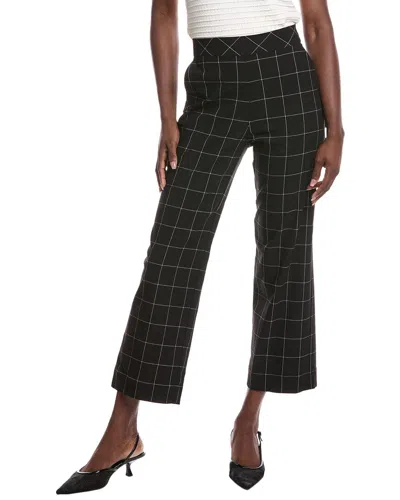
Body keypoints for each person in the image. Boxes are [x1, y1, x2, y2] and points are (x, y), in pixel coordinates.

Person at [56, 0, 344, 493]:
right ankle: (123, 428)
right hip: (211, 86)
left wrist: (335, 130)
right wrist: (167, 118)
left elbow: (316, 23)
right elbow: (165, 14)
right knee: (170, 254)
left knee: (284, 252)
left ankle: (248, 418)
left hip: (289, 81)